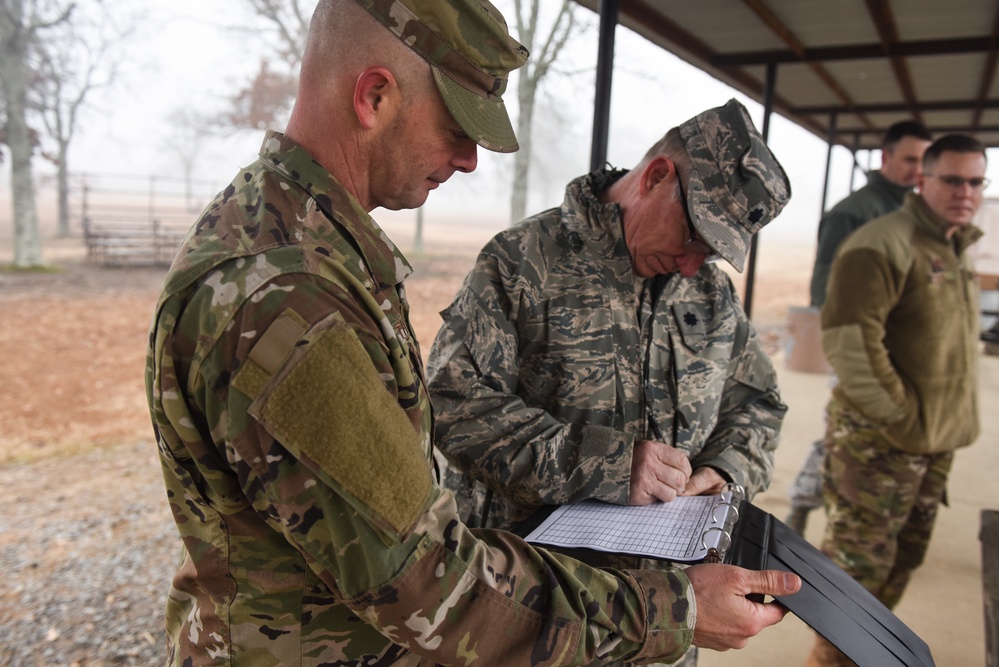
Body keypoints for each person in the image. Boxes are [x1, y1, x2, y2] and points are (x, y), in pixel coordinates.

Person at [144, 2, 801, 665]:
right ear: (374, 95)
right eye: (458, 126)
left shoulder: (321, 253)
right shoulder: (286, 291)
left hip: (550, 623)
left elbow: (756, 402)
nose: (468, 161)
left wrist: (719, 472)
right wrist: (673, 604)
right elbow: (423, 576)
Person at [426, 99, 790, 667]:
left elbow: (758, 404)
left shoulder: (710, 295)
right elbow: (453, 405)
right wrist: (608, 464)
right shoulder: (522, 262)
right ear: (657, 176)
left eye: (713, 252)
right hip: (540, 619)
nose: (695, 265)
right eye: (695, 235)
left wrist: (725, 469)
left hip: (666, 625)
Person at [805, 133, 985, 667]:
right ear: (921, 178)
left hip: (933, 441)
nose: (965, 192)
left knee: (902, 562)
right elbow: (850, 342)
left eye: (976, 181)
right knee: (855, 578)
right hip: (879, 443)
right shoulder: (881, 242)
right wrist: (901, 418)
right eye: (952, 179)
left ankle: (868, 657)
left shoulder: (954, 245)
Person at [785, 120, 932, 535]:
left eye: (925, 161)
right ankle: (804, 499)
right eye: (910, 159)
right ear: (885, 157)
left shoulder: (917, 212)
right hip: (865, 350)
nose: (918, 170)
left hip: (903, 350)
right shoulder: (855, 212)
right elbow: (824, 289)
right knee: (846, 435)